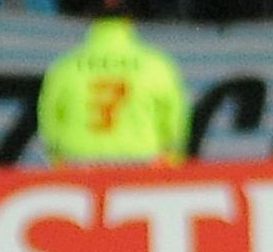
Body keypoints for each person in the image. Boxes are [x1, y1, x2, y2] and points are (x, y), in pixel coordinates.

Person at [37, 13, 190, 166]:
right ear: (129, 22)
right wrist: (171, 158)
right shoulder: (157, 65)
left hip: (79, 162)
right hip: (141, 162)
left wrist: (57, 158)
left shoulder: (65, 66)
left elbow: (49, 118)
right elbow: (174, 120)